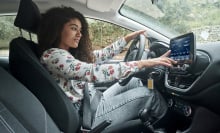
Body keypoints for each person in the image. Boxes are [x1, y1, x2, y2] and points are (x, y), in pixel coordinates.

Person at [37, 6, 176, 128]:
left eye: (80, 29)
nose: (79, 34)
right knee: (149, 95)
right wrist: (143, 63)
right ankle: (168, 126)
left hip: (92, 101)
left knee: (134, 81)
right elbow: (93, 72)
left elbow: (101, 55)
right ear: (57, 29)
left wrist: (127, 38)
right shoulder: (53, 56)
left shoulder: (66, 54)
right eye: (74, 28)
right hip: (88, 115)